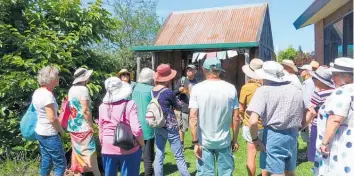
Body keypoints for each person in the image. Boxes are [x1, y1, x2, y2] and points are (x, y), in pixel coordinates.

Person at [247, 61, 304, 176]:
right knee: (290, 171)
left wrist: (255, 139)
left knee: (276, 172)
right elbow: (309, 111)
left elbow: (253, 121)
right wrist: (300, 127)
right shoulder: (296, 89)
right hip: (292, 135)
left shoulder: (263, 91)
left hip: (274, 135)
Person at [189, 58, 240, 176]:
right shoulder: (230, 88)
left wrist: (195, 141)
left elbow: (193, 117)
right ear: (219, 71)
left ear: (203, 70)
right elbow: (236, 117)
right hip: (224, 141)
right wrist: (235, 139)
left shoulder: (197, 88)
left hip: (204, 142)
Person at [315, 57, 354, 176]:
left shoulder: (343, 91)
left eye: (335, 74)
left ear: (346, 77)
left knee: (338, 170)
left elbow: (336, 119)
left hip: (342, 141)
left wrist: (324, 143)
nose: (332, 78)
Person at [98, 77, 145, 176]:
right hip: (127, 146)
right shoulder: (130, 104)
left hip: (107, 146)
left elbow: (101, 128)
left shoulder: (102, 106)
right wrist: (142, 144)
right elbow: (136, 130)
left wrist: (104, 144)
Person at [153, 64, 190, 176]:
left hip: (158, 125)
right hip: (170, 127)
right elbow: (178, 105)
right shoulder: (168, 91)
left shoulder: (153, 90)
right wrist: (179, 99)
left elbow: (165, 97)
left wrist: (176, 93)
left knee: (159, 154)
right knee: (179, 156)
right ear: (168, 78)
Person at [33, 66, 66, 176]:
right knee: (61, 164)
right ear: (51, 79)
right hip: (49, 133)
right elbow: (52, 118)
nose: (59, 77)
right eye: (57, 75)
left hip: (40, 131)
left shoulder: (37, 92)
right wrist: (61, 131)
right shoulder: (47, 95)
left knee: (47, 160)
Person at [67, 68, 101, 176]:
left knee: (77, 152)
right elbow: (85, 110)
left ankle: (77, 173)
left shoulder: (71, 89)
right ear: (85, 78)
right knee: (90, 152)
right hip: (83, 126)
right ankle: (97, 173)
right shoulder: (83, 89)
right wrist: (91, 125)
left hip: (73, 125)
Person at [301, 66, 335, 163]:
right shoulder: (335, 90)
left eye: (314, 78)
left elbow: (312, 111)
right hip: (331, 125)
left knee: (316, 148)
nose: (313, 81)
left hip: (319, 125)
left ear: (320, 81)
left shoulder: (318, 94)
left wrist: (303, 125)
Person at [240, 58, 267, 176]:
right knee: (265, 154)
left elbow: (241, 108)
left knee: (251, 154)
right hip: (266, 125)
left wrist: (242, 118)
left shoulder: (246, 88)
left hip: (250, 124)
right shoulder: (267, 86)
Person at [131, 68, 155, 176]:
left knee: (135, 154)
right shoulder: (152, 90)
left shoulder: (133, 87)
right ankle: (148, 174)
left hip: (134, 124)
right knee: (148, 156)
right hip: (147, 125)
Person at [174, 64, 198, 149]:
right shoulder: (182, 81)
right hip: (184, 107)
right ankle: (181, 144)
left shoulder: (197, 83)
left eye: (191, 70)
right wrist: (179, 90)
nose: (188, 71)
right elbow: (174, 93)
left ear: (195, 71)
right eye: (188, 70)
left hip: (194, 108)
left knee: (195, 126)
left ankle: (196, 143)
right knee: (182, 128)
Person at [299, 64, 316, 149]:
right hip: (305, 110)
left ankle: (310, 153)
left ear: (307, 72)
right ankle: (309, 153)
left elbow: (308, 98)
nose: (300, 71)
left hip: (308, 110)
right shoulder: (306, 82)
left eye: (302, 70)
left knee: (308, 132)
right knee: (306, 133)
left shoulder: (309, 83)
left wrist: (307, 110)